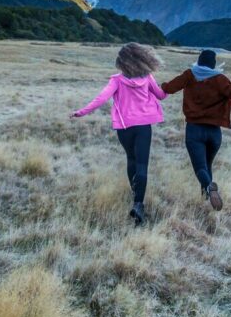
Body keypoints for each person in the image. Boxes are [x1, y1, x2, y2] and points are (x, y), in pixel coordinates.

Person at [70, 42, 166, 226]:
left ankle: (134, 193)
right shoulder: (147, 78)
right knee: (142, 164)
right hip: (143, 125)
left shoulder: (116, 80)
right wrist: (168, 88)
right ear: (141, 59)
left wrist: (81, 112)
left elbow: (101, 99)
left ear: (122, 62)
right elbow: (161, 95)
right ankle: (138, 204)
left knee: (131, 159)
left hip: (124, 127)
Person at [160, 49, 231, 211]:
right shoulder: (220, 79)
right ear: (213, 63)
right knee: (208, 164)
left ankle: (209, 189)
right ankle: (205, 199)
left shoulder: (189, 75)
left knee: (200, 167)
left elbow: (169, 88)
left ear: (199, 61)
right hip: (214, 133)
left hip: (194, 130)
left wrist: (159, 86)